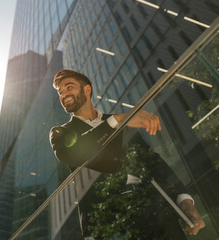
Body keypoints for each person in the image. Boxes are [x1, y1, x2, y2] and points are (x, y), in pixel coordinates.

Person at [49, 69, 205, 237]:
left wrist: (185, 202)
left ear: (87, 90)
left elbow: (153, 162)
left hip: (156, 215)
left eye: (69, 87)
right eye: (60, 92)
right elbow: (74, 153)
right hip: (109, 225)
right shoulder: (61, 132)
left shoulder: (120, 122)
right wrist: (117, 120)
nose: (63, 94)